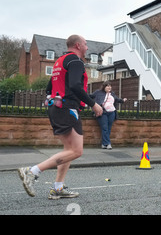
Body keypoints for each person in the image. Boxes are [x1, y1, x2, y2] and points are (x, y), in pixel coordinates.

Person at [18, 35, 103, 199]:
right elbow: (75, 86)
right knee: (77, 151)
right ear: (78, 45)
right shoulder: (75, 61)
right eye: (85, 44)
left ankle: (58, 188)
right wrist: (93, 103)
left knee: (69, 150)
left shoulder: (59, 62)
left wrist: (53, 101)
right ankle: (31, 171)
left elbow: (49, 88)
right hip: (67, 108)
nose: (87, 48)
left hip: (57, 108)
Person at [89, 81, 127, 150]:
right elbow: (90, 96)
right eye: (107, 86)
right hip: (102, 112)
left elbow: (117, 99)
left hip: (111, 112)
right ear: (104, 87)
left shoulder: (112, 93)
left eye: (110, 86)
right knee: (105, 128)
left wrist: (122, 100)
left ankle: (104, 144)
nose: (109, 87)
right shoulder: (98, 92)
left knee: (108, 129)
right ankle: (108, 144)